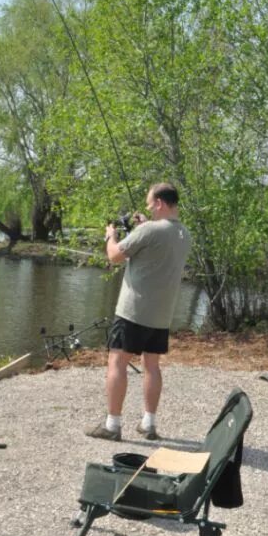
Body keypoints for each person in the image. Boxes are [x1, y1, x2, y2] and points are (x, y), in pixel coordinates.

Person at [85, 182, 191, 442]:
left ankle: (112, 425)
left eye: (149, 204)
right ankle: (149, 424)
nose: (147, 208)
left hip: (133, 311)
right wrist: (144, 224)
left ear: (159, 203)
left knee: (117, 361)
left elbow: (114, 256)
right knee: (151, 365)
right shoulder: (184, 234)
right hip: (161, 315)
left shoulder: (149, 230)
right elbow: (153, 252)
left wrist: (111, 234)